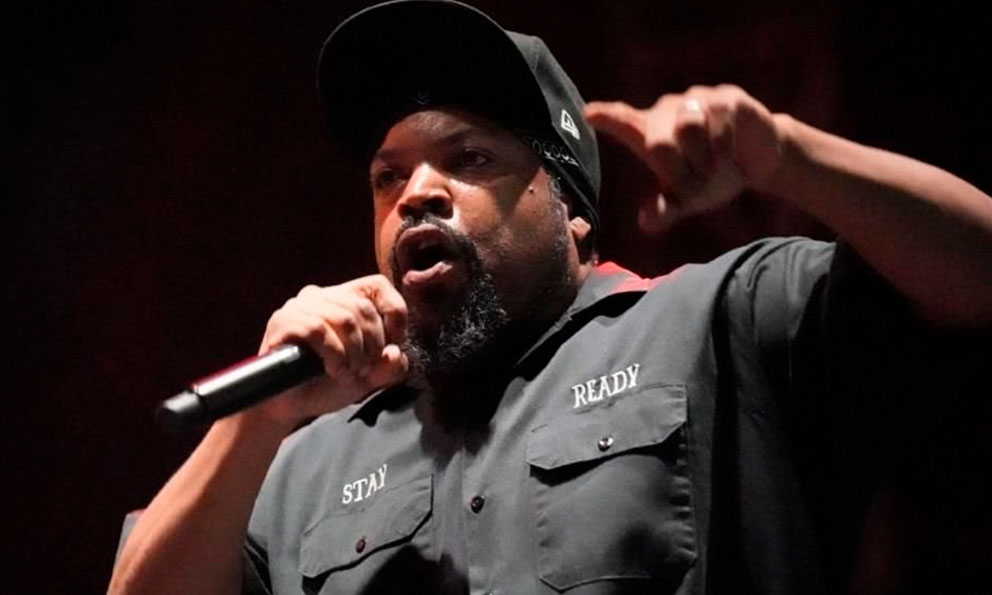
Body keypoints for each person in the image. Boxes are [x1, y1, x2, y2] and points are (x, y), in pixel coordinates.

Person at [108, 1, 992, 593]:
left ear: (570, 209)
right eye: (388, 176)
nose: (417, 192)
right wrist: (254, 422)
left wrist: (789, 156)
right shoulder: (302, 460)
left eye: (469, 159)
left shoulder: (716, 323)